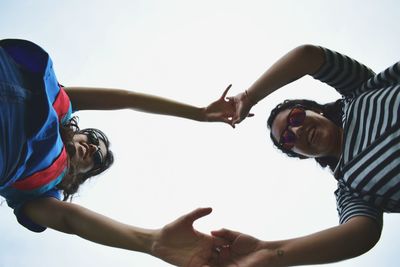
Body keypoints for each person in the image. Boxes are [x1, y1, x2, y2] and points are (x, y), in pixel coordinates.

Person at [0, 39, 234, 266]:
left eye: (97, 158)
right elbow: (126, 99)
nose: (92, 148)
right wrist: (198, 113)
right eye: (93, 139)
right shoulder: (61, 106)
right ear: (78, 130)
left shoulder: (40, 194)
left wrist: (152, 241)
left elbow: (70, 220)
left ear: (81, 174)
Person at [212, 44, 400, 266]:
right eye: (288, 140)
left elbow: (308, 56)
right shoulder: (351, 189)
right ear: (301, 155)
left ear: (315, 109)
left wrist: (249, 96)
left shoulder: (359, 90)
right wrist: (269, 252)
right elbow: (360, 235)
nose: (297, 131)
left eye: (296, 118)